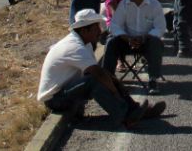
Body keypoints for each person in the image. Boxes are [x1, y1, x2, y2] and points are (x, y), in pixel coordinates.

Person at [37, 9, 165, 128]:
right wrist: (116, 93)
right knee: (95, 80)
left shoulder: (83, 43)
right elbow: (97, 74)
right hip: (55, 100)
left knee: (108, 78)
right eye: (95, 28)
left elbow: (102, 73)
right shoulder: (75, 46)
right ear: (84, 31)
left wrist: (116, 84)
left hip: (65, 91)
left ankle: (134, 110)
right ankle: (123, 115)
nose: (99, 31)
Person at [103, 0, 167, 95]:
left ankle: (153, 79)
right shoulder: (124, 4)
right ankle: (107, 79)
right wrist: (127, 38)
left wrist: (145, 37)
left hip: (146, 41)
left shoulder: (154, 5)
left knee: (156, 42)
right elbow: (115, 25)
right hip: (127, 41)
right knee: (111, 42)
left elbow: (160, 27)